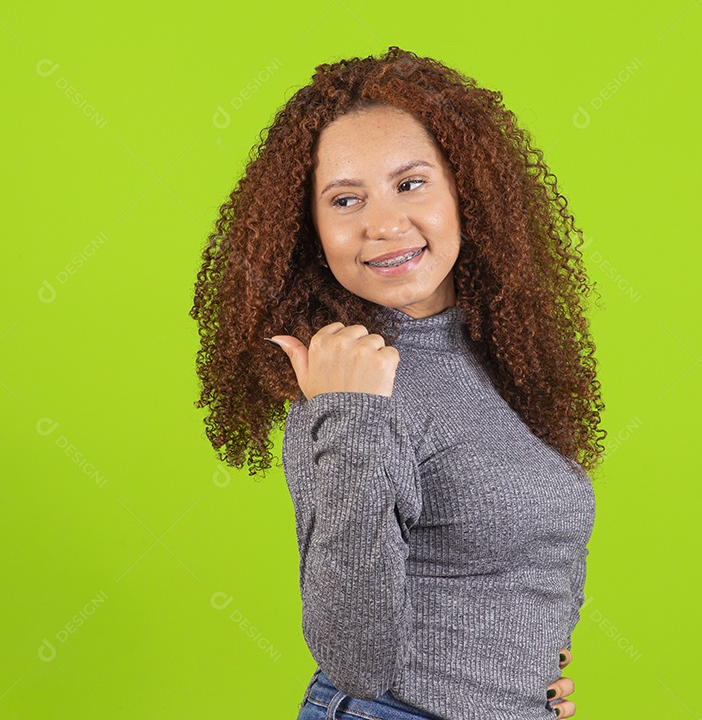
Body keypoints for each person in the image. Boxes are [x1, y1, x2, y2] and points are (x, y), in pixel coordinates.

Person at [191, 46, 604, 720]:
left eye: (410, 184)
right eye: (345, 199)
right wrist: (348, 410)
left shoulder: (489, 354)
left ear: (465, 190)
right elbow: (355, 662)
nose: (382, 224)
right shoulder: (345, 386)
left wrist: (521, 681)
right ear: (311, 231)